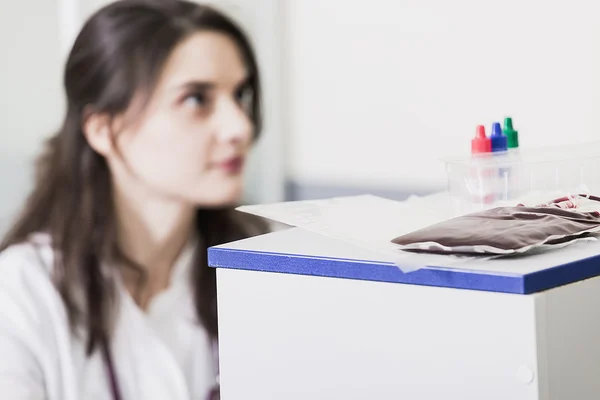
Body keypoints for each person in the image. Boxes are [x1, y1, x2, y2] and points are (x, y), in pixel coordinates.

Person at [0, 0, 271, 399]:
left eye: (240, 95)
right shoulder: (21, 293)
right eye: (196, 98)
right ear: (103, 130)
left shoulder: (264, 264)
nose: (239, 127)